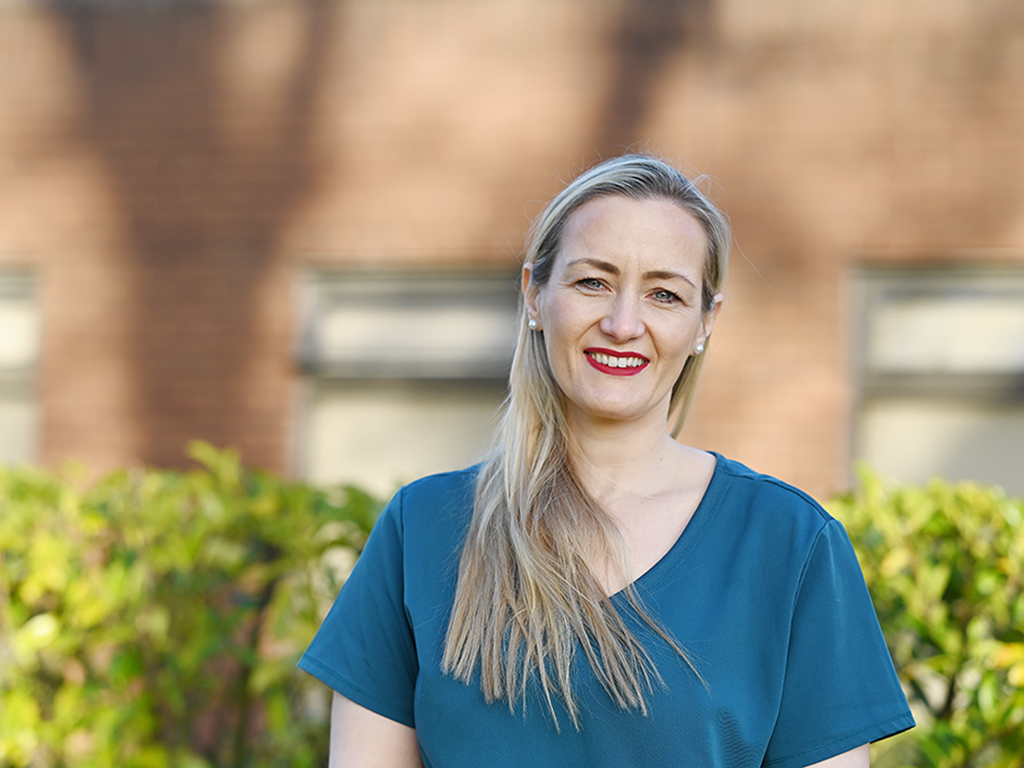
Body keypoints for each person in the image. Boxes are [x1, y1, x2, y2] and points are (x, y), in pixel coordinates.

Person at [299, 154, 914, 768]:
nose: (623, 323)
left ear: (706, 321)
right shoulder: (422, 529)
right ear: (535, 296)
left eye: (665, 295)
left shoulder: (791, 544)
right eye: (592, 282)